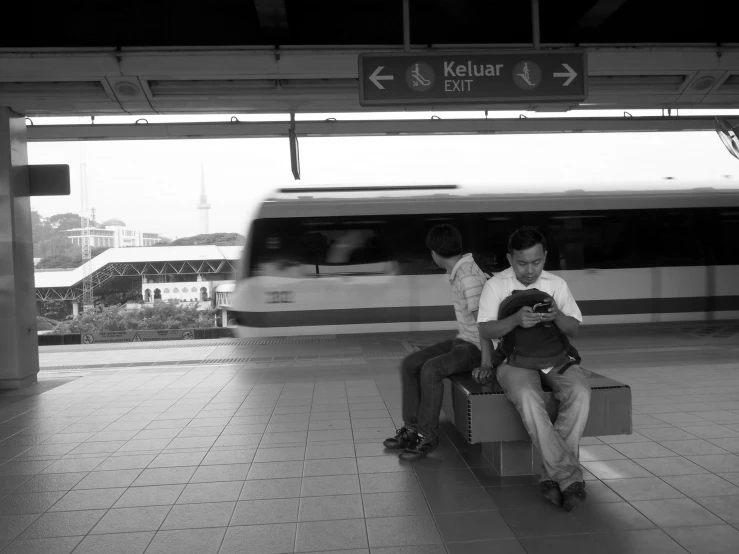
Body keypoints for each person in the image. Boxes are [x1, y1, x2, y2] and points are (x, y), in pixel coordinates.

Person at [474, 226, 590, 511]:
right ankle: (567, 477)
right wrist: (514, 321)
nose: (529, 270)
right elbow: (486, 329)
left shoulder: (556, 284)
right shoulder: (496, 285)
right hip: (514, 361)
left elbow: (573, 329)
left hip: (556, 358)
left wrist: (557, 315)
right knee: (528, 396)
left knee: (581, 393)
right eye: (522, 263)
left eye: (536, 262)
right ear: (509, 258)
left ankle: (553, 476)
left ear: (545, 256)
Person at [383, 224, 487, 461]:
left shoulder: (468, 277)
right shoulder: (460, 272)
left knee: (431, 369)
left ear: (434, 254)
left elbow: (484, 324)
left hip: (478, 347)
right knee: (411, 362)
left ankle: (427, 436)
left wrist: (487, 362)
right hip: (465, 340)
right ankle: (411, 428)